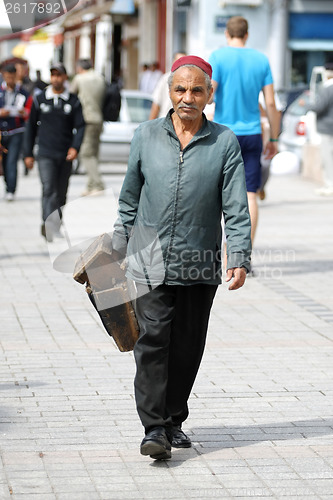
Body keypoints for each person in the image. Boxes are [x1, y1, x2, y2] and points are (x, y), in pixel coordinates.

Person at [112, 55, 252, 461]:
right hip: (147, 258)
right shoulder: (146, 135)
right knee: (151, 342)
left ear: (210, 94)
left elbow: (236, 206)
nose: (187, 97)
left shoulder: (224, 141)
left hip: (198, 262)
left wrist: (238, 255)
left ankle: (174, 419)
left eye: (196, 90)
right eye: (179, 89)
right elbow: (129, 199)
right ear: (169, 92)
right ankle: (153, 426)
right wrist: (116, 248)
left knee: (187, 346)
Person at [209, 16, 280, 246]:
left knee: (217, 194)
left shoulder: (217, 57)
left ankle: (220, 252)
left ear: (227, 35)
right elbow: (270, 104)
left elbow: (209, 95)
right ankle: (243, 255)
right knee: (250, 194)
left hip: (222, 135)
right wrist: (274, 138)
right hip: (252, 134)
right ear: (247, 35)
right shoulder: (261, 60)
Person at [23, 63, 85, 242]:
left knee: (61, 192)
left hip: (65, 154)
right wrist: (28, 153)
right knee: (48, 189)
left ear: (65, 78)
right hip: (45, 154)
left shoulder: (73, 101)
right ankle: (47, 224)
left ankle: (56, 225)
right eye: (53, 75)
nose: (56, 79)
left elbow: (80, 126)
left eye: (59, 75)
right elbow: (30, 128)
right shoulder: (40, 99)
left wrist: (75, 147)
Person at [70, 59, 106, 196]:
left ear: (79, 68)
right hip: (99, 118)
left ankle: (97, 184)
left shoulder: (79, 78)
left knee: (86, 153)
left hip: (86, 118)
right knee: (94, 153)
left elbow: (71, 96)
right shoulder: (100, 78)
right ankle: (91, 185)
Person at [300, 62, 333, 196]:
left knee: (328, 157)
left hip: (327, 127)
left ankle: (330, 184)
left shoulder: (327, 88)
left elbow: (319, 107)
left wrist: (306, 105)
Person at [0, 63, 30, 201]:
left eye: (12, 77)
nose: (9, 80)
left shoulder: (23, 92)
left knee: (12, 161)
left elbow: (29, 111)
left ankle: (11, 189)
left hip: (16, 131)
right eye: (7, 77)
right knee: (5, 162)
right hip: (2, 132)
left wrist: (23, 112)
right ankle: (7, 185)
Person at [149, 52, 186, 120]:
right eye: (178, 61)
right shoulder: (165, 78)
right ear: (173, 62)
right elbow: (156, 103)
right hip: (165, 121)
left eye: (184, 61)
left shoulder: (190, 80)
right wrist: (150, 127)